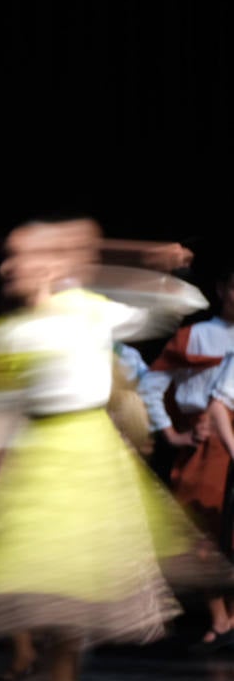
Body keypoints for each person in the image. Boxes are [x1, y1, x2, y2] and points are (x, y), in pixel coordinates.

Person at [0, 217, 215, 681]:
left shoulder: (88, 311)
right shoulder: (12, 332)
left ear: (58, 263)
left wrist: (132, 254)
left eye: (26, 255)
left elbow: (179, 301)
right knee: (44, 589)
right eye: (10, 257)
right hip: (35, 462)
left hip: (84, 459)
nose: (12, 267)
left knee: (73, 585)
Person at [138, 260, 234, 651]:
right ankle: (220, 618)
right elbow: (151, 385)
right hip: (208, 441)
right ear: (223, 289)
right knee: (202, 531)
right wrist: (173, 436)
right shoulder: (196, 336)